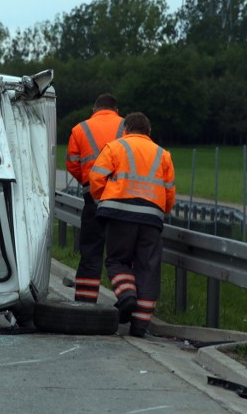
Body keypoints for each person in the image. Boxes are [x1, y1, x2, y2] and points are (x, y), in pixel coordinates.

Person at [89, 112, 176, 337]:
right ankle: (139, 326)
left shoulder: (115, 147)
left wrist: (103, 200)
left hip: (119, 213)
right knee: (148, 268)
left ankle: (127, 295)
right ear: (149, 132)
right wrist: (160, 211)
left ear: (125, 129)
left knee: (117, 259)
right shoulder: (163, 154)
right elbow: (169, 192)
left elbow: (96, 179)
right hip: (151, 218)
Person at [66, 93, 124, 303]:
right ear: (116, 110)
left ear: (94, 110)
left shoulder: (80, 129)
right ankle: (127, 298)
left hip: (94, 198)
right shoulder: (128, 126)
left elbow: (72, 163)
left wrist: (87, 182)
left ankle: (85, 303)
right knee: (122, 254)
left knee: (91, 252)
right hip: (123, 197)